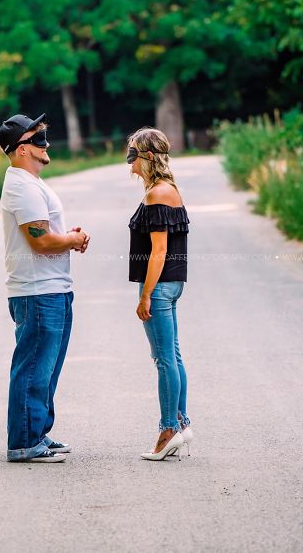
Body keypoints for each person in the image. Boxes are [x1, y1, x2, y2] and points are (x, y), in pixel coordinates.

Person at [0, 113, 90, 463]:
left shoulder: (31, 183)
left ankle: (37, 433)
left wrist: (67, 239)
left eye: (45, 136)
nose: (46, 143)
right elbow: (40, 241)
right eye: (38, 139)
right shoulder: (21, 185)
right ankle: (23, 442)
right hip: (37, 292)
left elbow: (48, 235)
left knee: (46, 368)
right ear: (21, 149)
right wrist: (72, 239)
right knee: (35, 367)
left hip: (51, 289)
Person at [126, 127, 192, 461]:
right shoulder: (167, 189)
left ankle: (168, 431)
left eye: (133, 154)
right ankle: (181, 422)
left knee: (164, 359)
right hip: (171, 284)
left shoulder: (157, 194)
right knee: (173, 356)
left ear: (149, 157)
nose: (129, 161)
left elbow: (159, 250)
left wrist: (145, 296)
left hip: (160, 285)